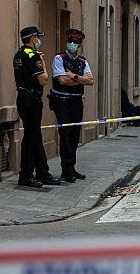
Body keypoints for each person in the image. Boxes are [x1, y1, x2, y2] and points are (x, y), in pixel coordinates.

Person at [13, 26, 60, 188]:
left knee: (34, 136)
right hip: (32, 100)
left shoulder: (19, 54)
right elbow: (43, 80)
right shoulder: (33, 56)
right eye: (37, 37)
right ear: (32, 39)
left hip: (23, 99)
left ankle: (42, 171)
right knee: (31, 138)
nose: (39, 40)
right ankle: (26, 175)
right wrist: (44, 64)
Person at [50, 29, 94, 183]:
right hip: (61, 101)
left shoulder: (83, 61)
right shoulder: (59, 58)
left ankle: (72, 167)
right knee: (66, 134)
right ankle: (66, 169)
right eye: (71, 40)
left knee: (75, 135)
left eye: (76, 42)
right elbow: (62, 81)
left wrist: (73, 76)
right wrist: (81, 79)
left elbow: (91, 81)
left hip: (76, 101)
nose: (72, 44)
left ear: (80, 45)